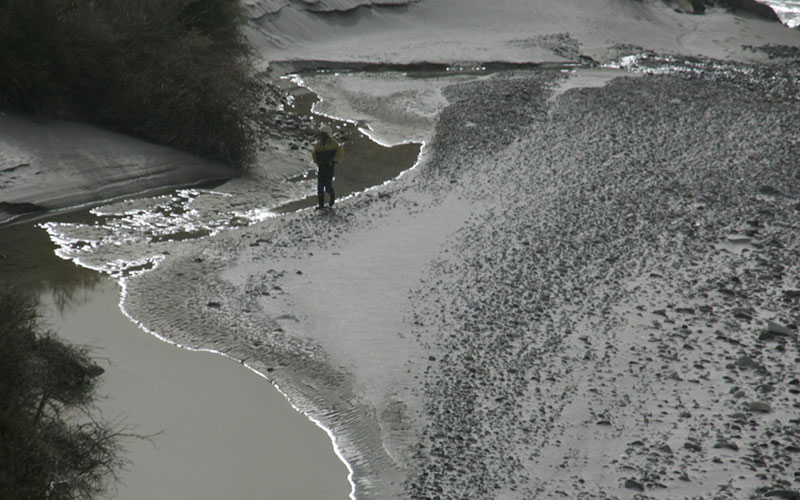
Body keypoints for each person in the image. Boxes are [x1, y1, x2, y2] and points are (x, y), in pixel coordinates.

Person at [312, 124, 343, 209]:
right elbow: (314, 154)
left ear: (327, 134)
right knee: (320, 186)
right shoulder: (318, 145)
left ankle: (332, 196)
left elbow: (340, 153)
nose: (321, 135)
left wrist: (333, 161)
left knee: (328, 186)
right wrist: (317, 162)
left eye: (323, 133)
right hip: (321, 167)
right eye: (321, 134)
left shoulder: (334, 144)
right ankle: (321, 205)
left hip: (329, 167)